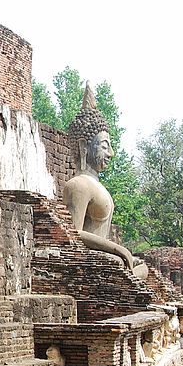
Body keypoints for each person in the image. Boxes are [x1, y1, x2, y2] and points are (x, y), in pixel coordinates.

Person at [63, 84, 148, 280]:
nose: (111, 153)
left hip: (105, 257)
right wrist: (117, 249)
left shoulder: (96, 186)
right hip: (89, 259)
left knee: (142, 268)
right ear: (84, 147)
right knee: (122, 264)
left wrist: (119, 251)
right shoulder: (79, 185)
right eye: (104, 146)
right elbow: (73, 234)